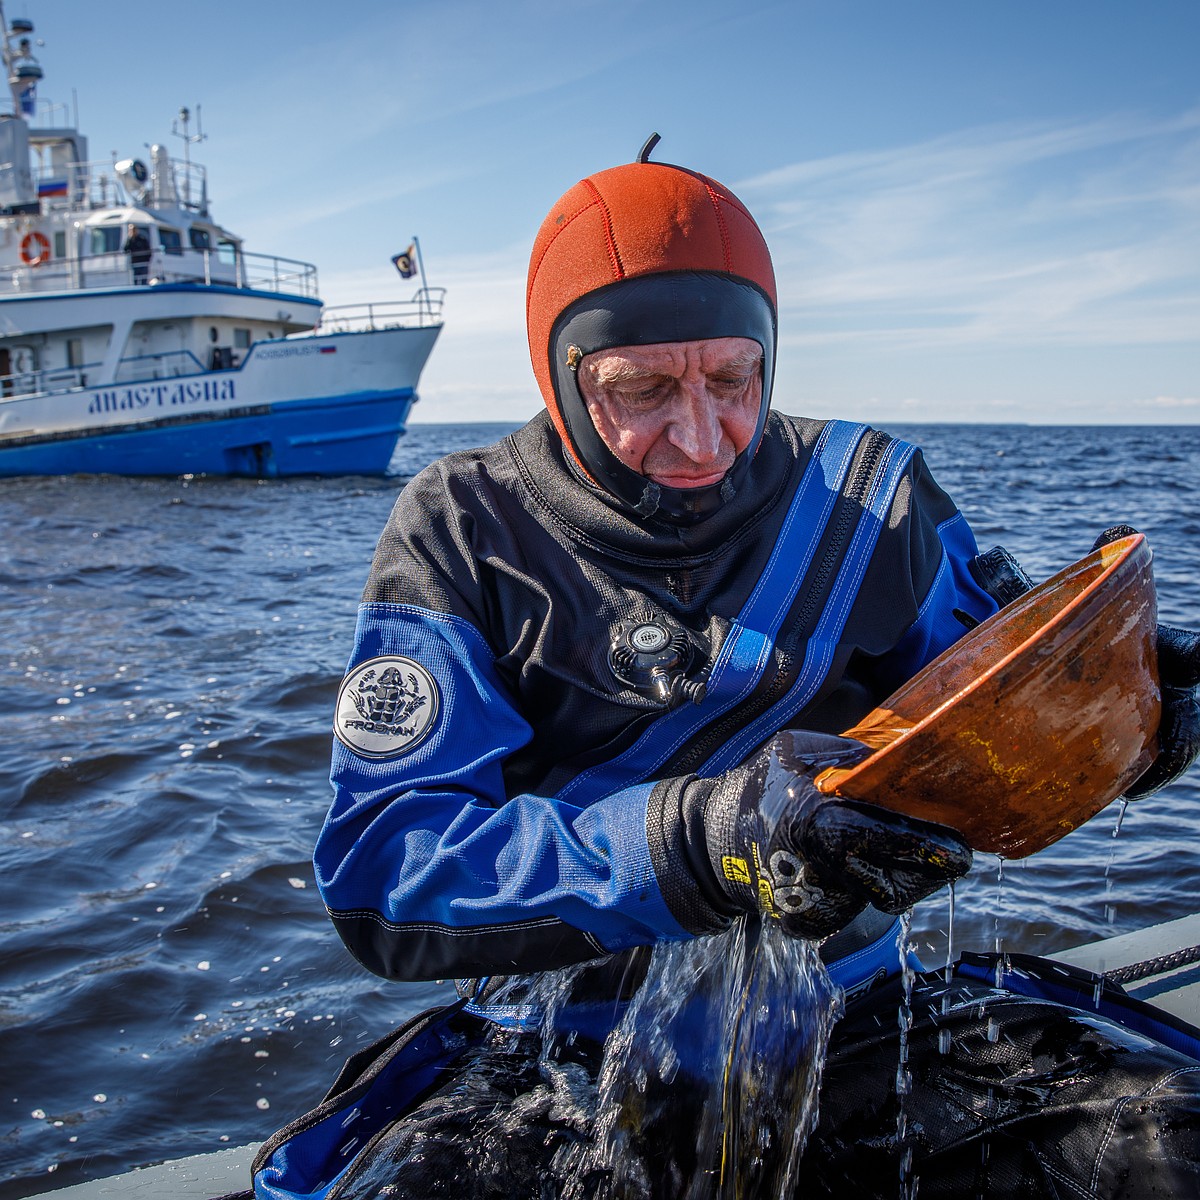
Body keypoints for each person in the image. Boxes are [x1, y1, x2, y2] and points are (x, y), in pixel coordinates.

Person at [256, 144, 1200, 1199]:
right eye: (643, 389)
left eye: (733, 379)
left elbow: (997, 733)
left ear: (770, 353)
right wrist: (702, 845)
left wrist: (1126, 716)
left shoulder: (870, 495)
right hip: (562, 1040)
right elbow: (388, 871)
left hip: (857, 1015)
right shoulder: (464, 527)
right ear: (561, 376)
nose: (699, 435)